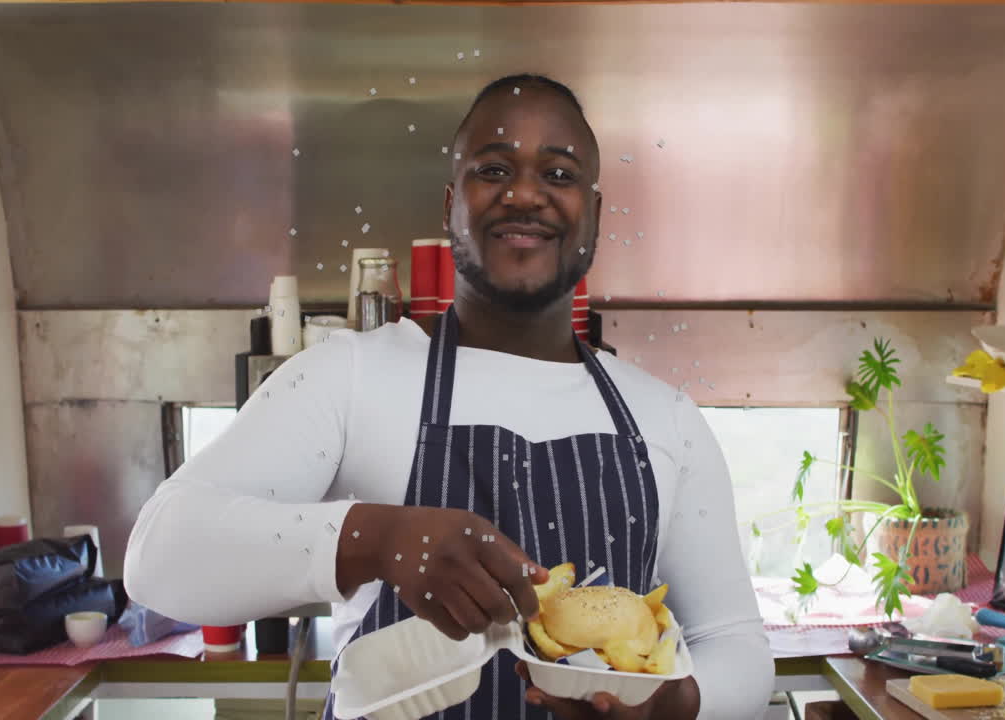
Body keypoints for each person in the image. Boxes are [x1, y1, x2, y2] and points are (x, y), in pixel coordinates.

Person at [125, 73, 774, 719]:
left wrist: (677, 704)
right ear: (450, 206)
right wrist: (375, 539)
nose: (525, 193)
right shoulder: (347, 377)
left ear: (596, 215)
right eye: (493, 170)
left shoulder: (665, 419)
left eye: (558, 173)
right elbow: (158, 555)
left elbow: (734, 643)